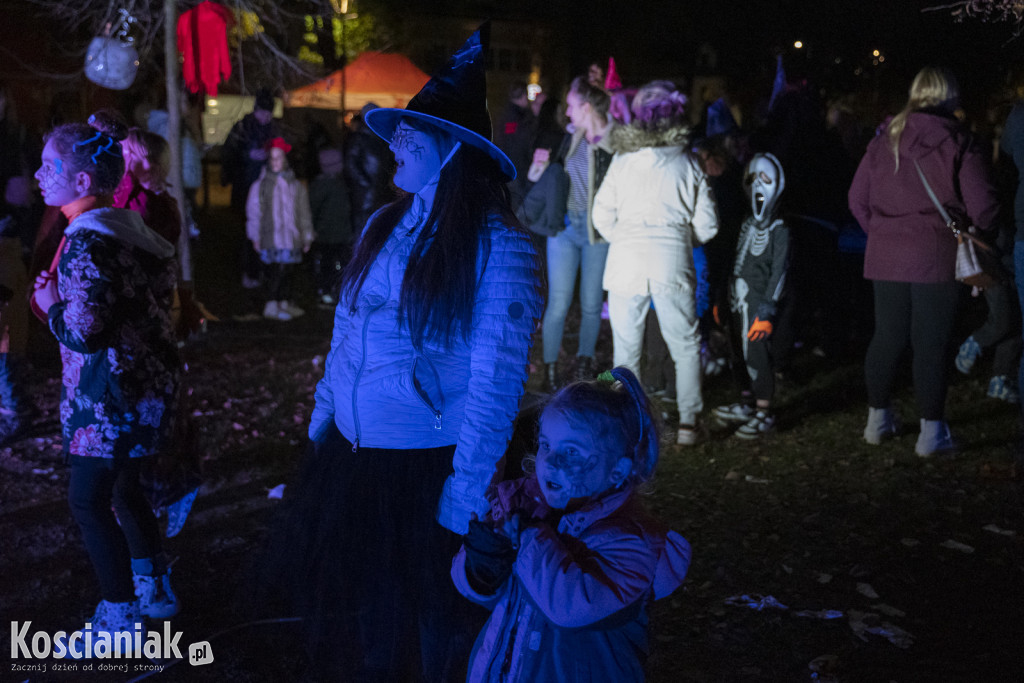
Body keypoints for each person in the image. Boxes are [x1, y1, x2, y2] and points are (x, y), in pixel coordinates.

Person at [259, 26, 542, 681]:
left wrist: (463, 496)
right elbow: (346, 335)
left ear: (454, 150)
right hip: (354, 459)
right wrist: (323, 422)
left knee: (433, 627)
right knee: (371, 620)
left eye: (414, 133)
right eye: (400, 131)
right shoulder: (381, 224)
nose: (396, 143)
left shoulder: (499, 248)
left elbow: (494, 384)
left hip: (424, 471)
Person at [31, 123, 179, 656]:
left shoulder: (89, 243)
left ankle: (120, 620)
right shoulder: (129, 230)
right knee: (124, 489)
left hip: (111, 397)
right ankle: (153, 589)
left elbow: (87, 331)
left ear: (84, 179)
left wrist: (51, 310)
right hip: (144, 388)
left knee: (88, 501)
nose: (38, 176)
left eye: (50, 168)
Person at [451, 367, 691, 681]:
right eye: (546, 445)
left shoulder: (632, 543)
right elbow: (482, 593)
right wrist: (481, 568)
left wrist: (527, 536)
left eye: (571, 451)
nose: (549, 461)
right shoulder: (524, 505)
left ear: (617, 471)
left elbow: (568, 607)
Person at [849, 67, 1000, 456]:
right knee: (929, 344)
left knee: (887, 336)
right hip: (935, 253)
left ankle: (876, 420)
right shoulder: (960, 141)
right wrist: (977, 230)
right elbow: (983, 207)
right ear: (951, 96)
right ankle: (932, 432)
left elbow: (857, 199)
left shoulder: (884, 142)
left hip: (886, 256)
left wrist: (882, 233)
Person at [592, 80, 719, 446]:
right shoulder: (688, 162)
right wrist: (680, 237)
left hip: (625, 262)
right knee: (685, 345)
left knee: (626, 347)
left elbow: (602, 215)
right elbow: (708, 224)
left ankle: (628, 422)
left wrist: (626, 235)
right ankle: (689, 424)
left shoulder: (622, 161)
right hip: (671, 262)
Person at [541, 76, 617, 391]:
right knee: (558, 302)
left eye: (572, 106)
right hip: (565, 228)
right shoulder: (573, 136)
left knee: (590, 304)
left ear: (586, 107)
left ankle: (584, 364)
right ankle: (549, 372)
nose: (568, 112)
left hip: (598, 233)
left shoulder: (616, 142)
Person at [711, 153, 791, 439]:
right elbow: (734, 261)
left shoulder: (779, 229)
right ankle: (747, 402)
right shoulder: (745, 224)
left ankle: (764, 411)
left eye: (765, 179)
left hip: (758, 302)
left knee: (756, 353)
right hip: (736, 300)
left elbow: (779, 272)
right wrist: (722, 297)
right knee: (737, 351)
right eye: (753, 179)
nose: (758, 185)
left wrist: (768, 311)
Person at [245, 136, 313, 321]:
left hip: (290, 237)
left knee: (288, 271)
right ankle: (271, 303)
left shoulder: (296, 186)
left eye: (279, 158)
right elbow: (254, 212)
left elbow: (303, 212)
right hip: (271, 237)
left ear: (285, 160)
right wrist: (255, 236)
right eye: (272, 158)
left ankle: (284, 302)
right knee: (276, 271)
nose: (275, 162)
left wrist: (306, 235)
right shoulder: (261, 186)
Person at [221, 88, 279, 288]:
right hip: (245, 187)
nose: (266, 117)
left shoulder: (273, 129)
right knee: (248, 232)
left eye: (269, 113)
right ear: (256, 110)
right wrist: (248, 156)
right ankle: (248, 272)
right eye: (263, 112)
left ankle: (263, 270)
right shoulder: (243, 128)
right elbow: (229, 154)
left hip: (267, 187)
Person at [308, 146, 352, 306]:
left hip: (338, 233)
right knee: (328, 264)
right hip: (327, 234)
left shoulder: (336, 184)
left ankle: (331, 291)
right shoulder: (325, 185)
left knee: (335, 264)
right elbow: (313, 208)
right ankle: (325, 291)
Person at [344, 101, 394, 233]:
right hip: (365, 194)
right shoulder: (359, 138)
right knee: (363, 227)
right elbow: (351, 163)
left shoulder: (382, 137)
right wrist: (365, 183)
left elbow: (389, 161)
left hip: (380, 191)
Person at [493, 80, 538, 208]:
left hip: (509, 166)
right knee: (518, 204)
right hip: (518, 168)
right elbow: (518, 142)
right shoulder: (516, 117)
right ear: (523, 95)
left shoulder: (507, 114)